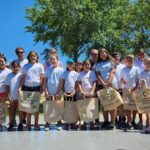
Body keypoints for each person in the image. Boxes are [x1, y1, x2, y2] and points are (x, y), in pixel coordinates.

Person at [20, 51, 44, 131]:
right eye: (31, 56)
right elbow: (23, 77)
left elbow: (41, 77)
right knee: (28, 107)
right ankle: (28, 124)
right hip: (27, 87)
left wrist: (41, 87)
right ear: (29, 57)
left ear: (37, 57)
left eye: (34, 56)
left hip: (37, 87)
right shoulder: (25, 66)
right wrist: (21, 87)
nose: (32, 57)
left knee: (35, 107)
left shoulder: (40, 65)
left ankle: (36, 124)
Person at [96, 48, 117, 130]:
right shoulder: (98, 64)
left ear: (107, 54)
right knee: (104, 104)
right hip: (102, 85)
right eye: (101, 53)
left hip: (111, 85)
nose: (103, 54)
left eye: (104, 52)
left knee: (112, 104)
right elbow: (97, 75)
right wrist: (104, 83)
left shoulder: (111, 62)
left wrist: (108, 82)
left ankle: (113, 122)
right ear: (99, 55)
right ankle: (106, 121)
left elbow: (113, 72)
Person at [44, 54, 64, 131]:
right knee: (49, 107)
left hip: (57, 91)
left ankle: (59, 122)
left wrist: (58, 91)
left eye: (54, 59)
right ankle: (48, 123)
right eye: (51, 59)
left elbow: (61, 81)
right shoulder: (48, 70)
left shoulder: (60, 70)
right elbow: (45, 81)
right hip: (49, 91)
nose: (53, 61)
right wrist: (45, 90)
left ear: (57, 60)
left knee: (57, 107)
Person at [9, 47, 28, 125]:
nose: (20, 53)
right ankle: (13, 121)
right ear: (16, 53)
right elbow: (8, 69)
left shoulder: (27, 61)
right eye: (19, 52)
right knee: (15, 104)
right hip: (16, 84)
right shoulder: (13, 62)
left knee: (25, 104)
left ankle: (24, 119)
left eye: (22, 52)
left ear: (24, 52)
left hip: (26, 84)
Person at [58, 58, 78, 130]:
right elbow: (62, 84)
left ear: (73, 65)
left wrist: (74, 91)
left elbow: (77, 84)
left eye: (71, 63)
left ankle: (73, 123)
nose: (70, 65)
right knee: (66, 108)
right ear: (67, 64)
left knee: (73, 108)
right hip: (66, 93)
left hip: (73, 93)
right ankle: (66, 123)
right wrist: (63, 92)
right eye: (68, 63)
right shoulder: (64, 73)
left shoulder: (75, 73)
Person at [120, 54, 139, 129]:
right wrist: (122, 81)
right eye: (128, 59)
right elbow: (121, 79)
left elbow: (138, 80)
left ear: (133, 60)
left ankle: (133, 121)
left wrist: (135, 88)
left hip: (134, 90)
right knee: (127, 106)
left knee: (134, 106)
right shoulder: (123, 69)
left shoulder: (136, 69)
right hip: (125, 89)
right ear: (126, 60)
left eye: (131, 59)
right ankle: (129, 121)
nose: (130, 61)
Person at [77, 60, 97, 129]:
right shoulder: (81, 74)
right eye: (86, 64)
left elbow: (94, 82)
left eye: (88, 64)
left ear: (90, 66)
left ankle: (92, 121)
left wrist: (92, 91)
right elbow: (79, 83)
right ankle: (84, 122)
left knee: (91, 107)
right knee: (84, 107)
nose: (87, 66)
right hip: (83, 93)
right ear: (83, 66)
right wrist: (81, 91)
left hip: (91, 92)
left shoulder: (92, 73)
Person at [5, 61, 22, 131]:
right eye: (14, 67)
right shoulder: (9, 76)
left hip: (20, 96)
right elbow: (7, 87)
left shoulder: (21, 75)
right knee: (12, 111)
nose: (16, 68)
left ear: (19, 67)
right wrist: (8, 96)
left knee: (20, 110)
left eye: (17, 67)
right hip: (12, 96)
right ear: (12, 68)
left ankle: (20, 124)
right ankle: (11, 123)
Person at [111, 52, 126, 128]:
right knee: (115, 105)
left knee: (122, 105)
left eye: (117, 56)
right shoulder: (110, 66)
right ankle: (115, 119)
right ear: (112, 58)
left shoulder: (123, 66)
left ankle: (122, 119)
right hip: (113, 89)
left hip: (122, 88)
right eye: (114, 57)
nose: (116, 58)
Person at [134, 48, 146, 129]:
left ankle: (148, 122)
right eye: (140, 53)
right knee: (139, 104)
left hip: (147, 85)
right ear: (138, 54)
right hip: (138, 85)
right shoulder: (135, 61)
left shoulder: (148, 60)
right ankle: (141, 121)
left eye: (143, 53)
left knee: (147, 104)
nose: (141, 54)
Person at [139, 57, 150, 133]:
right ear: (144, 64)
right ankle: (148, 124)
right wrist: (142, 84)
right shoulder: (141, 73)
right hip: (145, 93)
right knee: (147, 110)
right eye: (146, 63)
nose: (148, 64)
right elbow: (140, 86)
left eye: (149, 63)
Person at [0, 56, 11, 131]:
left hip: (5, 93)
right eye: (0, 61)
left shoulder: (9, 71)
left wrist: (8, 94)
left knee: (3, 108)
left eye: (2, 61)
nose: (1, 63)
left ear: (5, 62)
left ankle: (9, 122)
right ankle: (0, 124)